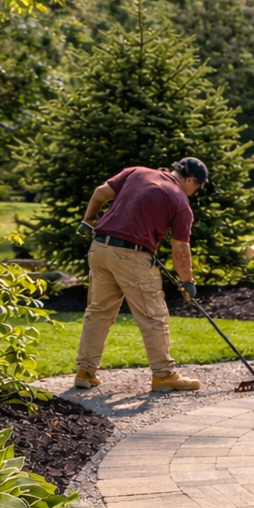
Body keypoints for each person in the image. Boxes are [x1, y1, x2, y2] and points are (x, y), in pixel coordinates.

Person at [73, 158, 209, 393]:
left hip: (99, 249)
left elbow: (99, 193)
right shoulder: (180, 201)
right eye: (198, 187)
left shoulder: (136, 172)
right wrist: (188, 281)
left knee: (98, 312)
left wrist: (88, 219)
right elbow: (180, 250)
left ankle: (85, 371)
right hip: (132, 256)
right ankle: (164, 375)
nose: (195, 192)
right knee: (153, 316)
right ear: (190, 180)